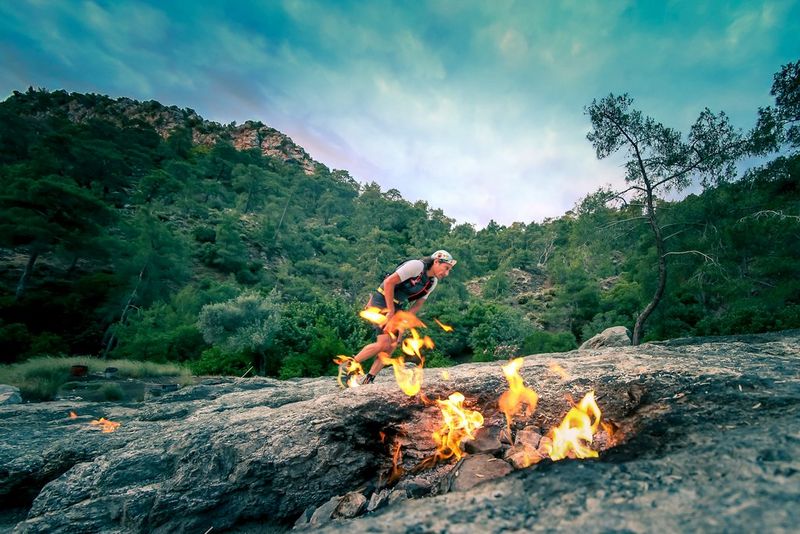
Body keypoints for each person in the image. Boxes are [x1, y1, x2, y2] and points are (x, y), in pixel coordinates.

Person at [351, 250, 457, 384]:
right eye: (446, 268)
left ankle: (369, 379)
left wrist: (402, 322)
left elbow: (418, 305)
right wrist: (389, 311)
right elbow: (389, 282)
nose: (446, 273)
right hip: (382, 300)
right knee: (383, 343)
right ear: (436, 261)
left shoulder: (432, 282)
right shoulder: (416, 266)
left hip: (398, 307)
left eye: (449, 270)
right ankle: (348, 366)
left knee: (392, 345)